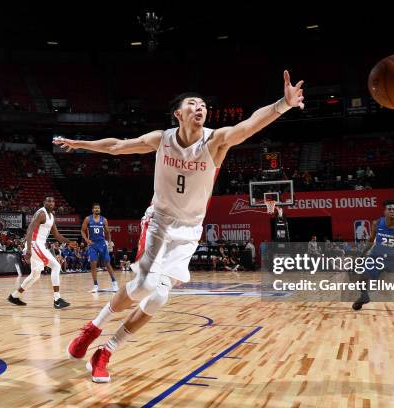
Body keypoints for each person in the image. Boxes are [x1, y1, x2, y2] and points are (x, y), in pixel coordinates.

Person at [55, 70, 304, 383]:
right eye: (192, 103)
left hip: (189, 230)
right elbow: (118, 146)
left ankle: (106, 351)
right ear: (178, 114)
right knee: (145, 286)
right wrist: (80, 144)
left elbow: (250, 124)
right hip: (159, 221)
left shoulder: (215, 142)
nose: (199, 107)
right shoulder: (162, 140)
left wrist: (284, 103)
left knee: (158, 298)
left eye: (202, 104)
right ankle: (92, 328)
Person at [7, 196, 77, 309]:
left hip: (40, 245)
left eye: (52, 201)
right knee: (56, 266)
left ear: (54, 204)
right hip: (34, 244)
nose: (50, 203)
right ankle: (57, 299)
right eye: (48, 201)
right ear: (44, 202)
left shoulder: (51, 216)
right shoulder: (41, 213)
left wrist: (68, 242)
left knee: (35, 275)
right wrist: (28, 249)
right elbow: (29, 230)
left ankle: (14, 296)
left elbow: (56, 235)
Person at [81, 203, 118, 292]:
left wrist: (109, 242)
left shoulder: (104, 220)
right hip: (92, 244)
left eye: (98, 208)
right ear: (92, 210)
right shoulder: (87, 219)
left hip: (102, 244)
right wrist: (86, 240)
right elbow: (82, 230)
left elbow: (108, 232)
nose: (97, 209)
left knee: (107, 264)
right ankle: (95, 285)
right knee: (93, 264)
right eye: (95, 208)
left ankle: (114, 283)